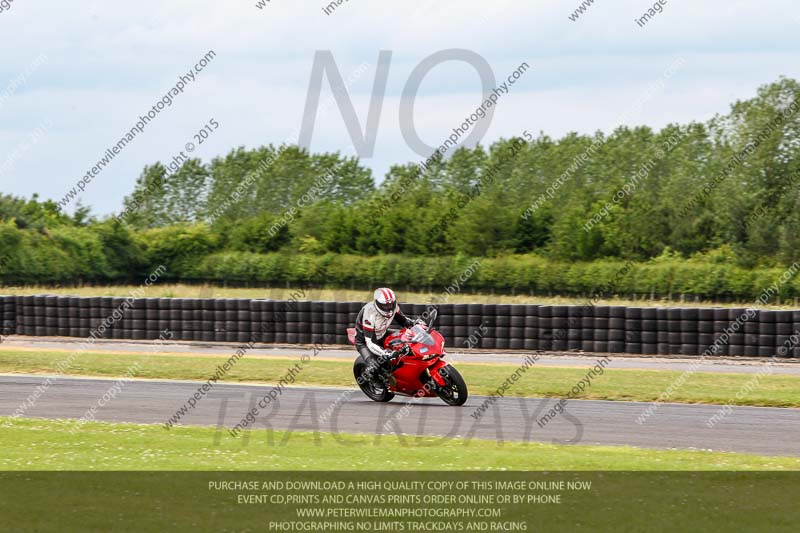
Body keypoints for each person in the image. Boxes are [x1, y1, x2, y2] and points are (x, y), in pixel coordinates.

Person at [354, 288, 420, 387]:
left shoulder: (394, 307)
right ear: (377, 303)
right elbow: (370, 342)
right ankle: (375, 379)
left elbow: (403, 321)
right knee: (375, 365)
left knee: (406, 341)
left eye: (391, 304)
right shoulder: (370, 313)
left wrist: (415, 324)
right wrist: (385, 352)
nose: (389, 307)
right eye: (385, 305)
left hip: (383, 333)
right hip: (365, 340)